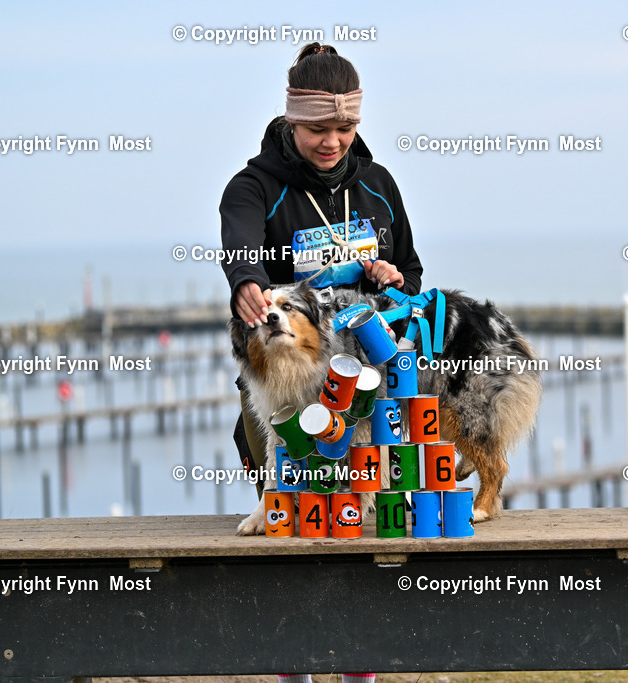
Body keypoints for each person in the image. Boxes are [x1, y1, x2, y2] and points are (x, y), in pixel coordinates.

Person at [219, 43, 423, 683]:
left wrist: (394, 278)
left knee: (361, 534)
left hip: (372, 384)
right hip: (287, 376)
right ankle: (293, 670)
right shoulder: (254, 187)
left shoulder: (379, 186)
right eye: (318, 128)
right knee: (293, 530)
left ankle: (360, 670)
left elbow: (413, 279)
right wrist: (249, 283)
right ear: (290, 122)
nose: (333, 141)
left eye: (346, 127)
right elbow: (241, 249)